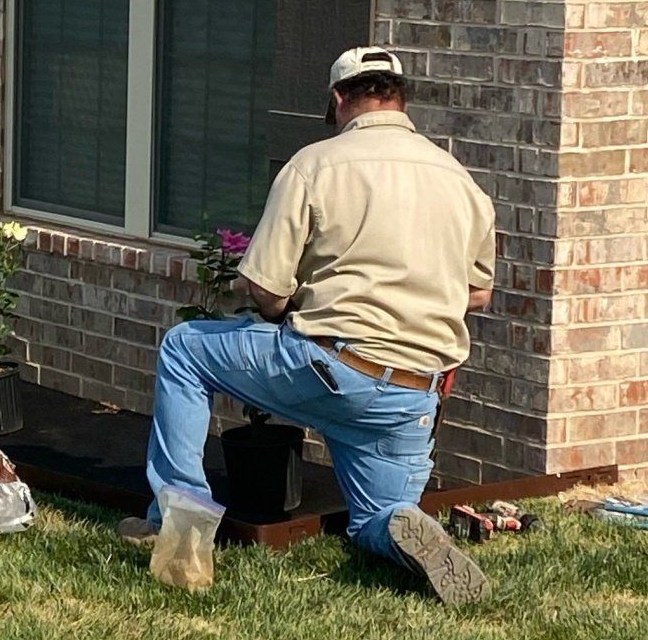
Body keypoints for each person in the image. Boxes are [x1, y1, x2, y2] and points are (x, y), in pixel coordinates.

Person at [138, 48, 497, 605]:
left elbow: (267, 289)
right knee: (373, 518)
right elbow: (478, 293)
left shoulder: (314, 165)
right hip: (413, 393)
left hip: (330, 365)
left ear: (337, 100)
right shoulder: (460, 180)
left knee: (186, 348)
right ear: (402, 98)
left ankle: (180, 531)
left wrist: (294, 310)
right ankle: (407, 528)